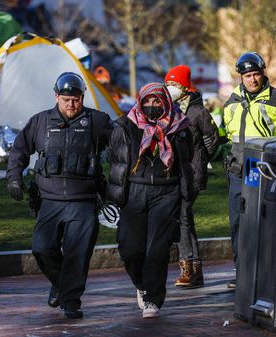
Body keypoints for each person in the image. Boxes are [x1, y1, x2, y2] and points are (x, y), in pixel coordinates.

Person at [6, 72, 113, 319]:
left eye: (75, 99)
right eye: (66, 99)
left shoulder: (97, 121)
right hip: (49, 200)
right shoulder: (40, 122)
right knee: (42, 249)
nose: (71, 104)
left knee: (78, 253)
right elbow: (18, 150)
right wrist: (13, 177)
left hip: (84, 200)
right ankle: (62, 284)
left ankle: (71, 301)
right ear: (56, 97)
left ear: (82, 97)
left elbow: (121, 145)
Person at [106, 82, 194, 319]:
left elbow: (188, 159)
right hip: (134, 191)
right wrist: (114, 195)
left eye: (157, 101)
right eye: (148, 101)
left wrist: (188, 190)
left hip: (167, 193)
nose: (152, 106)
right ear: (140, 101)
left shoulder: (180, 126)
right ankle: (141, 284)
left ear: (166, 101)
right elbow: (115, 159)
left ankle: (153, 299)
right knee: (130, 248)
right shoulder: (125, 126)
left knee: (157, 249)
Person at [223, 52, 276, 288]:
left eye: (256, 74)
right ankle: (242, 273)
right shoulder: (231, 102)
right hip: (239, 172)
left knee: (265, 225)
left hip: (267, 173)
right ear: (240, 77)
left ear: (263, 74)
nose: (252, 80)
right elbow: (225, 135)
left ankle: (264, 274)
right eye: (247, 75)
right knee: (238, 225)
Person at [164, 65, 219, 289]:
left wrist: (200, 159)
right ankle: (195, 270)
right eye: (168, 84)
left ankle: (187, 267)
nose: (171, 88)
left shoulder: (198, 112)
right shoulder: (169, 110)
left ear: (185, 88)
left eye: (175, 85)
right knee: (186, 219)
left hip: (192, 173)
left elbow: (211, 140)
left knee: (181, 217)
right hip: (175, 172)